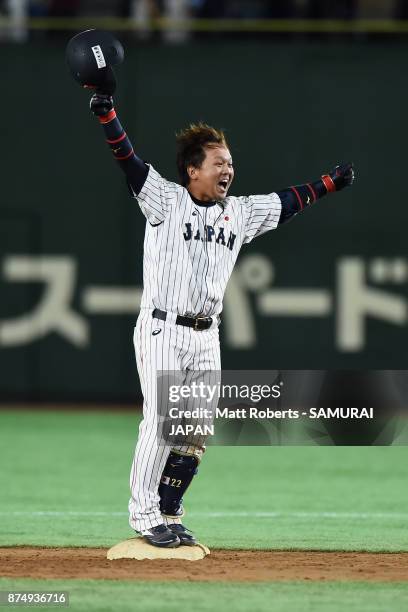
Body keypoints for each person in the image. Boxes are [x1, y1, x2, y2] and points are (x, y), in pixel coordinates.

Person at [89, 90, 354, 548]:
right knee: (161, 421)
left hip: (206, 334)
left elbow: (285, 202)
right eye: (218, 162)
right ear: (193, 170)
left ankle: (169, 511)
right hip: (162, 328)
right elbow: (128, 161)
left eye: (229, 162)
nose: (227, 169)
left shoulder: (239, 213)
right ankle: (144, 515)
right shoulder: (165, 202)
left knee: (195, 432)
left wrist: (327, 185)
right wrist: (108, 114)